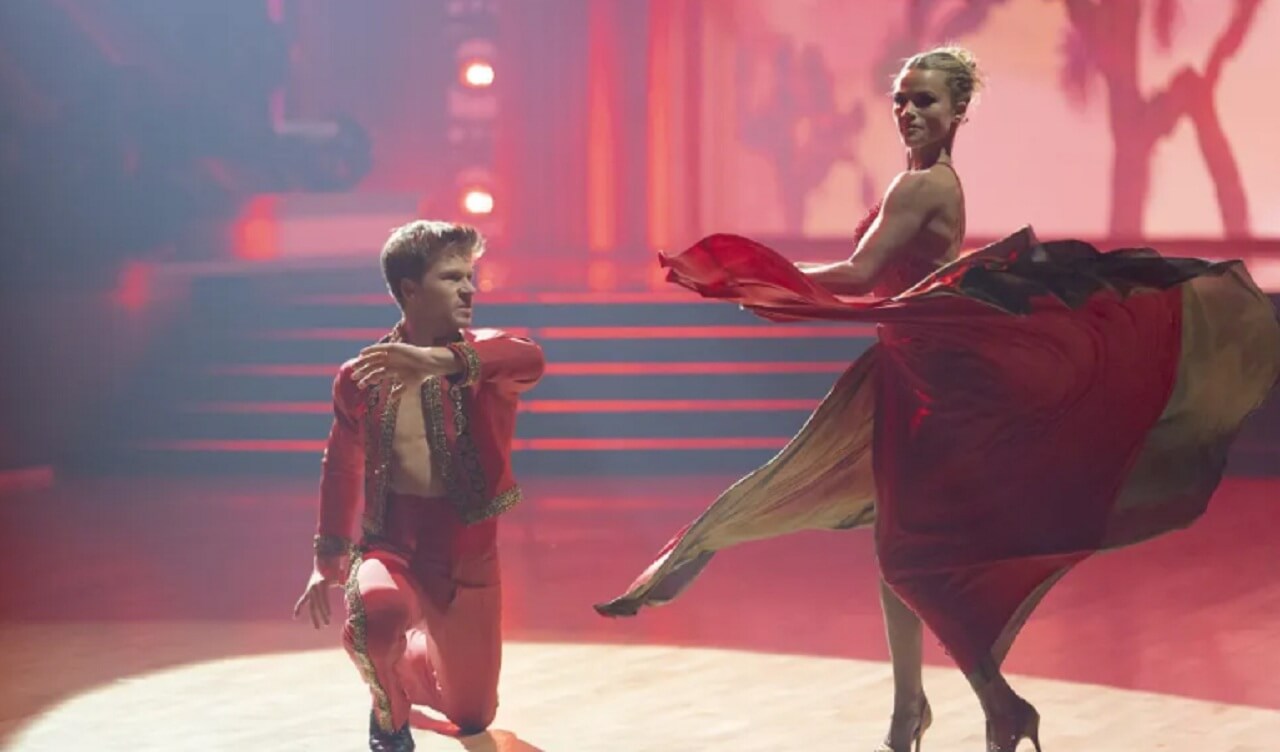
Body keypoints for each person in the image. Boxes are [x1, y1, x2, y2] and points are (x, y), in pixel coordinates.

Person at [595, 47, 1280, 751]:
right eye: (901, 99)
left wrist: (756, 280)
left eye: (925, 101)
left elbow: (861, 275)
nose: (909, 112)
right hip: (905, 370)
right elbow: (889, 282)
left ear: (958, 111)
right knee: (893, 538)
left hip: (930, 381)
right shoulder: (923, 182)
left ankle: (986, 703)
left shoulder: (922, 188)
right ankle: (912, 709)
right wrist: (768, 286)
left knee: (906, 551)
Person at [293, 220, 545, 751]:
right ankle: (388, 716)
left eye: (470, 276)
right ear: (410, 289)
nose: (469, 289)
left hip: (467, 555)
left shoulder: (485, 357)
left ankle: (410, 656)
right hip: (394, 542)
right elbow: (341, 464)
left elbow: (531, 358)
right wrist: (328, 560)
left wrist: (439, 361)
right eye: (452, 277)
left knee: (473, 714)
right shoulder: (359, 376)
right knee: (375, 619)